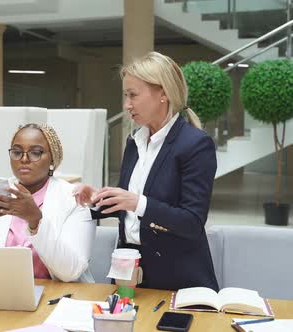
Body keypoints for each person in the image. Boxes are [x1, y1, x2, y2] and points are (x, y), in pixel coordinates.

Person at [75, 52, 219, 291]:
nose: (126, 105)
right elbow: (128, 208)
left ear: (163, 93)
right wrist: (96, 199)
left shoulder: (195, 144)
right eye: (125, 95)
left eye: (133, 95)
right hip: (129, 273)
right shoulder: (134, 142)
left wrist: (138, 203)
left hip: (178, 279)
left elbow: (192, 221)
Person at [0, 123, 95, 282]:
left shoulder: (73, 198)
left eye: (35, 153)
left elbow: (71, 271)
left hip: (56, 296)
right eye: (17, 152)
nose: (24, 159)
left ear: (52, 159)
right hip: (1, 291)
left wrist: (36, 220)